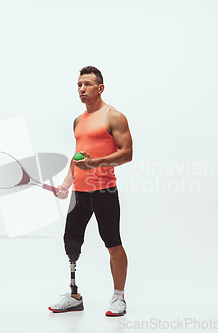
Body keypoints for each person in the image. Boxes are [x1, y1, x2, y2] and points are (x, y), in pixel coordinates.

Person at [48, 66, 133, 316]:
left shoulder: (113, 116)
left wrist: (96, 163)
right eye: (78, 85)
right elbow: (77, 155)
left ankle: (119, 298)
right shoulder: (78, 120)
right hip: (80, 194)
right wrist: (66, 182)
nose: (81, 89)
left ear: (100, 88)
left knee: (113, 244)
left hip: (104, 191)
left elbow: (127, 153)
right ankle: (74, 296)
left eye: (87, 84)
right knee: (71, 243)